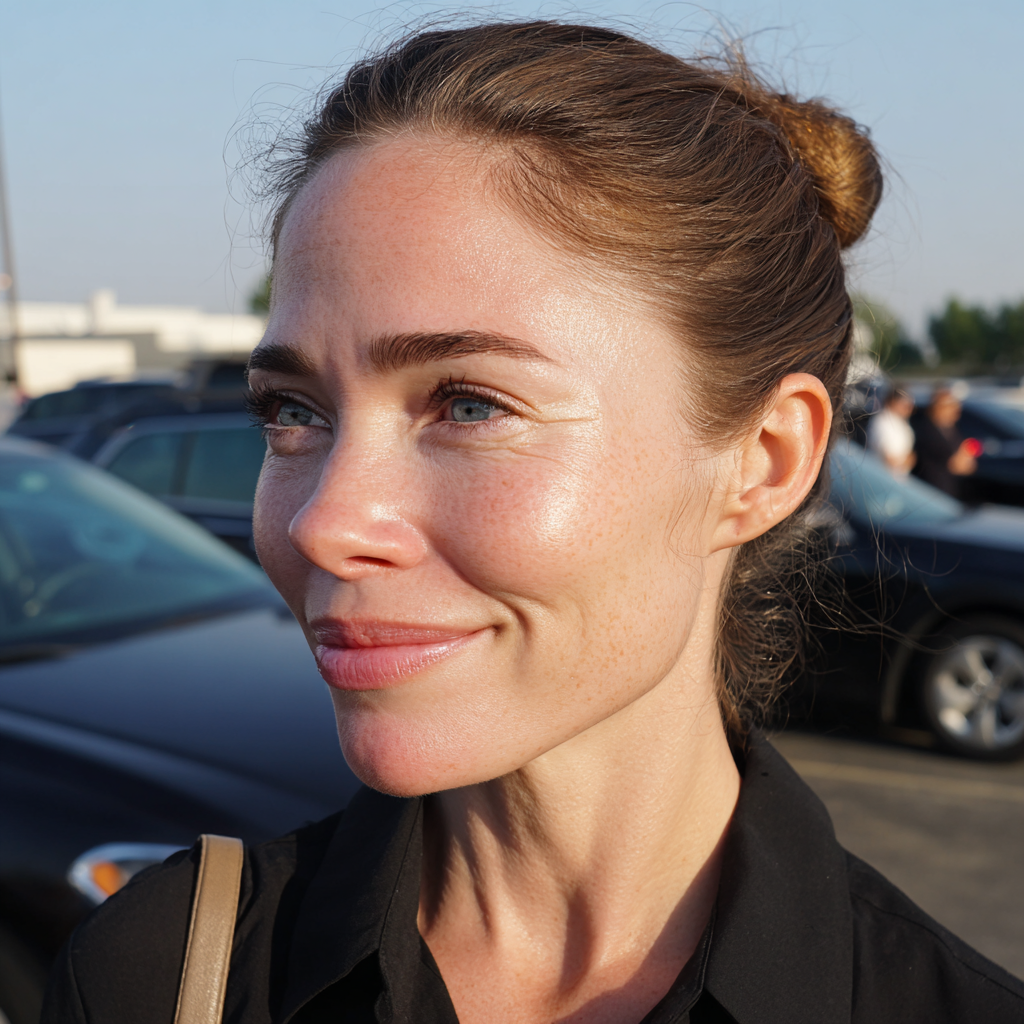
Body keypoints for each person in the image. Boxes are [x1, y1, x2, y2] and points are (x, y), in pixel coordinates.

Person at [43, 22, 1023, 1024]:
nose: (326, 523)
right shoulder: (167, 974)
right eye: (294, 412)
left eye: (470, 404)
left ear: (760, 463)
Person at [912, 386, 978, 497]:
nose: (956, 410)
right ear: (938, 407)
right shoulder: (927, 431)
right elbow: (955, 464)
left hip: (951, 490)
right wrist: (963, 457)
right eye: (951, 406)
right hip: (932, 491)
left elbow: (970, 466)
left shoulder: (952, 430)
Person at [866, 386, 916, 476]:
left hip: (901, 477)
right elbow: (889, 458)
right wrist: (904, 462)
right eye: (904, 404)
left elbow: (912, 456)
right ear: (893, 401)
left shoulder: (903, 424)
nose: (908, 408)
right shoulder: (881, 421)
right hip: (882, 476)